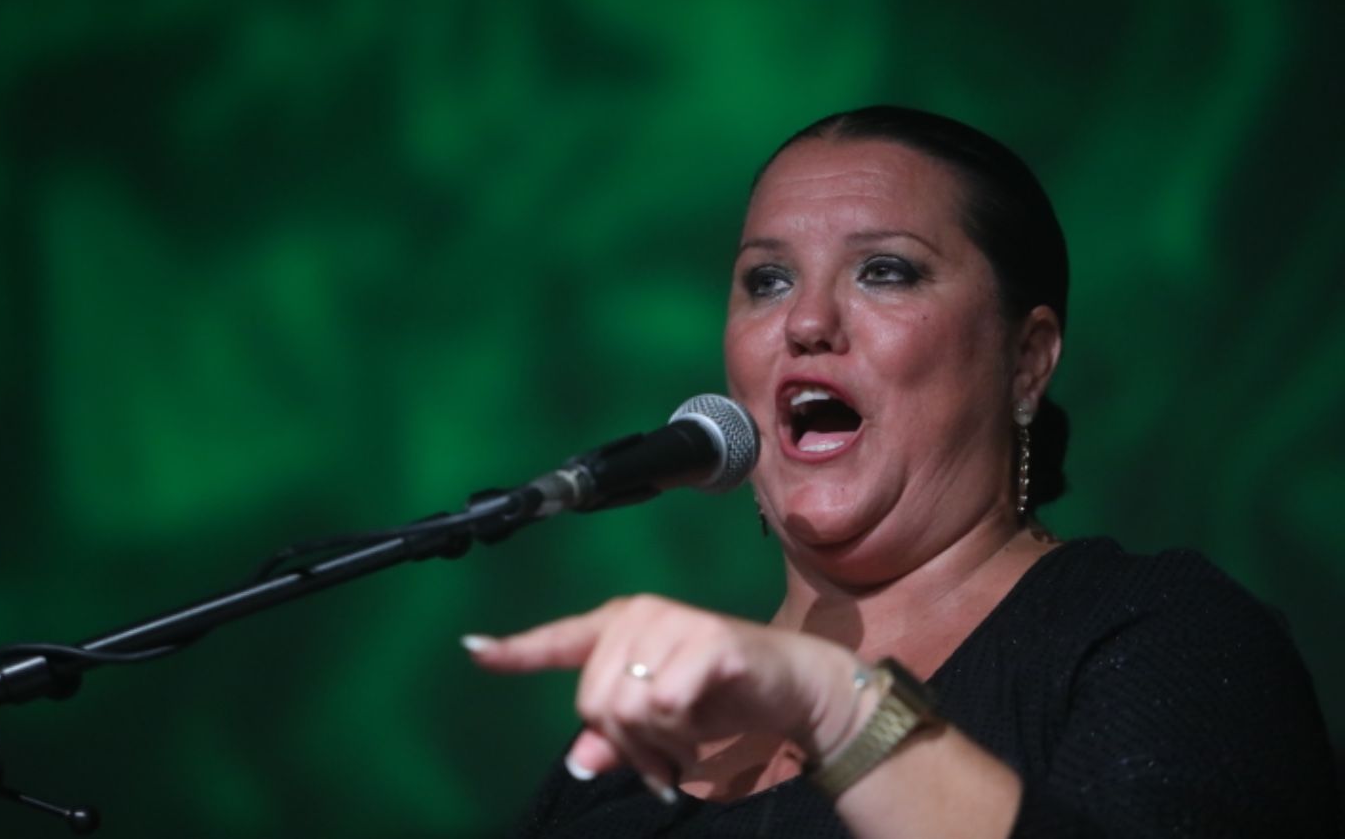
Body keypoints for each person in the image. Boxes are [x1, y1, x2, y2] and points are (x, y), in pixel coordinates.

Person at [462, 106, 1340, 837]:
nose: (806, 322)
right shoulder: (619, 764)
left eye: (884, 271)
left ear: (1027, 360)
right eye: (765, 281)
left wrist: (849, 716)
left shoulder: (1156, 636)